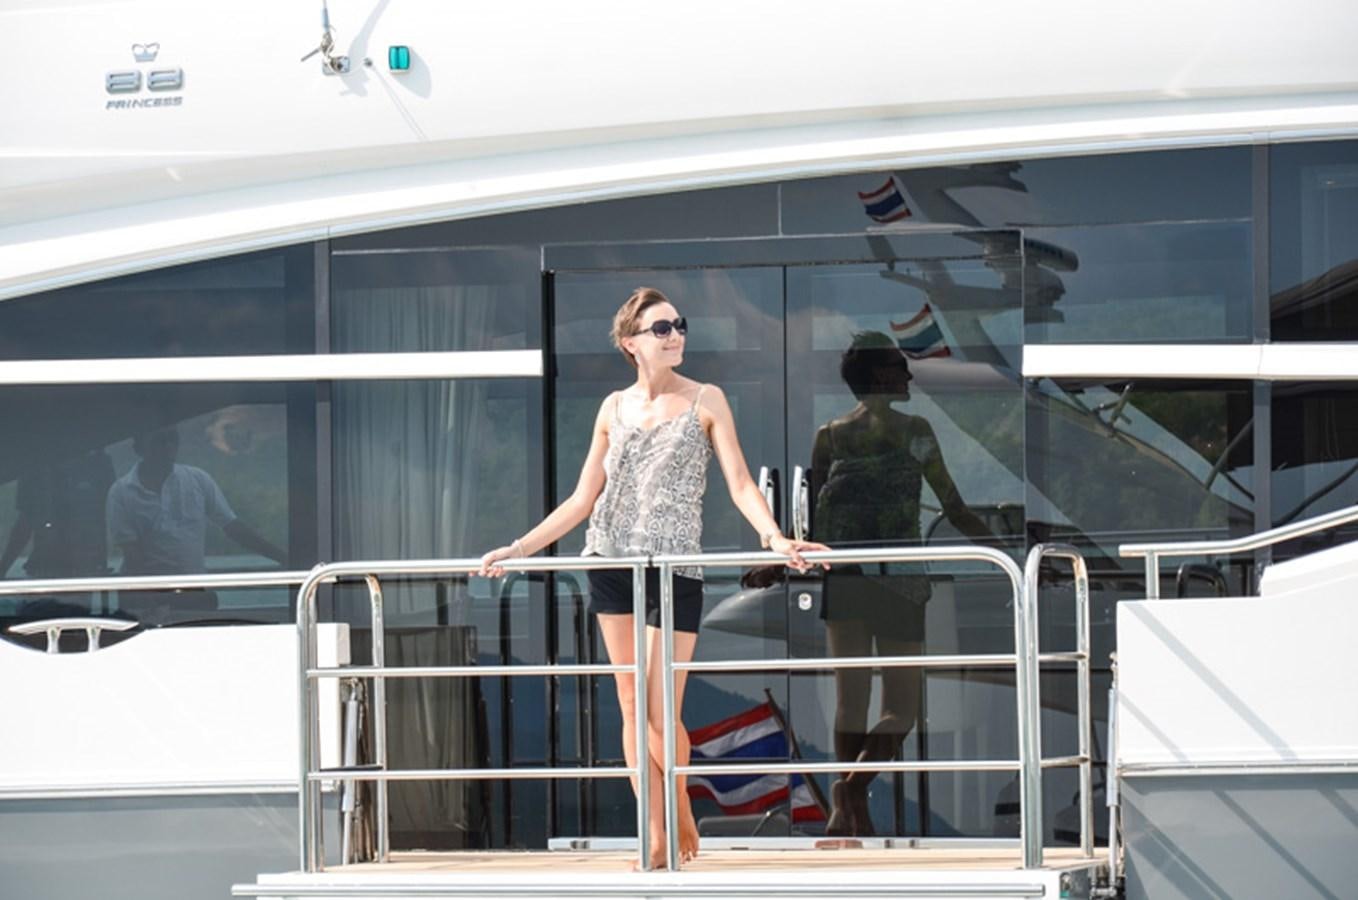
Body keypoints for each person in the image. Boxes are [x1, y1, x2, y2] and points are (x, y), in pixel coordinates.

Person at [479, 287, 828, 868]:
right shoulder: (612, 408)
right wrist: (518, 548)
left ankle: (681, 806)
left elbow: (741, 483)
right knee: (628, 702)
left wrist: (774, 538)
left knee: (662, 708)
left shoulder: (707, 399)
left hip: (673, 570)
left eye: (679, 325)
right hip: (611, 562)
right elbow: (583, 499)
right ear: (631, 344)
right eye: (661, 329)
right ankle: (655, 831)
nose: (675, 335)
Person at [810, 330, 991, 837]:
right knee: (902, 709)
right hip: (899, 583)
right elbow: (953, 508)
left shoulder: (828, 435)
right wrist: (1003, 547)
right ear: (880, 376)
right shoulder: (917, 430)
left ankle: (844, 808)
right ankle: (851, 789)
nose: (909, 374)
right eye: (898, 366)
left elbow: (811, 524)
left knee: (850, 703)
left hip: (843, 582)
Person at [106, 426, 287, 623]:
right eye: (159, 441)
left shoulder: (198, 480)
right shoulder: (121, 492)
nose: (168, 446)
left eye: (172, 440)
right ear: (139, 448)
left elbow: (233, 527)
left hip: (191, 591)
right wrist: (155, 599)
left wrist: (283, 558)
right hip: (142, 596)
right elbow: (132, 553)